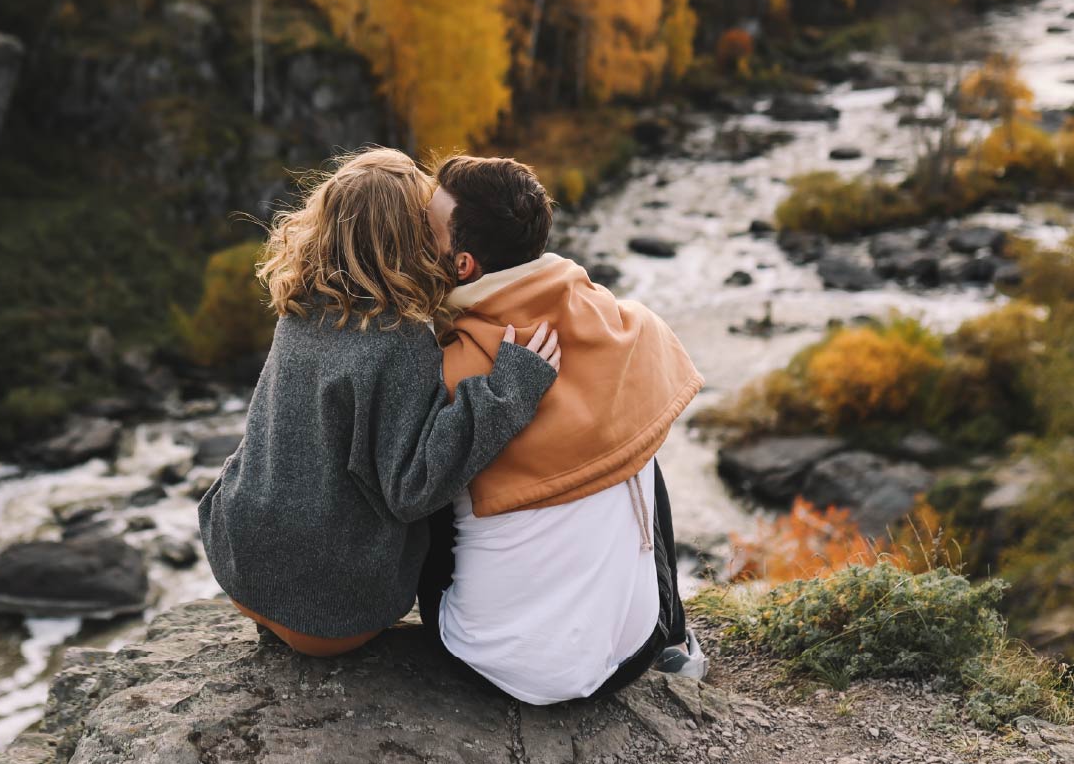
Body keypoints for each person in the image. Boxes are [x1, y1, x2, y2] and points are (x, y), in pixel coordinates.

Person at [198, 147, 565, 658]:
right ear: (410, 238)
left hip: (239, 563)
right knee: (445, 501)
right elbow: (413, 489)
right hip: (329, 616)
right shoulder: (400, 337)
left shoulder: (301, 304)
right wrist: (506, 391)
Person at [418, 155, 705, 705]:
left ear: (462, 266)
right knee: (636, 435)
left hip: (490, 662)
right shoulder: (631, 329)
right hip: (630, 656)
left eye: (425, 230)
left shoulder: (447, 371)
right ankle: (674, 638)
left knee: (432, 467)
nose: (413, 237)